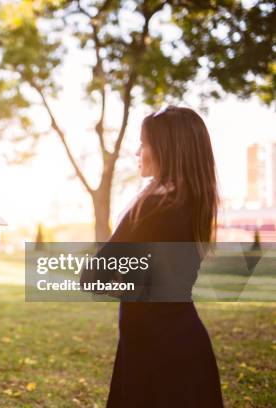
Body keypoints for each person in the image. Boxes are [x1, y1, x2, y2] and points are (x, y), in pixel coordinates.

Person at [81, 106, 224, 407]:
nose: (137, 152)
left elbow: (93, 276)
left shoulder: (150, 208)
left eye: (143, 143)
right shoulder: (196, 203)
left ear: (165, 150)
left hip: (151, 352)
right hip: (185, 346)